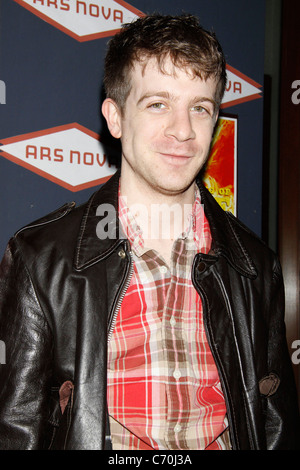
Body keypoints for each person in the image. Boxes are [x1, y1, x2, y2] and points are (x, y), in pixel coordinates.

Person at [0, 13, 299, 451]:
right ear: (115, 118)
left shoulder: (255, 265)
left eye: (200, 107)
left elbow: (275, 428)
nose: (182, 130)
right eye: (158, 103)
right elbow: (16, 431)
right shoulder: (41, 258)